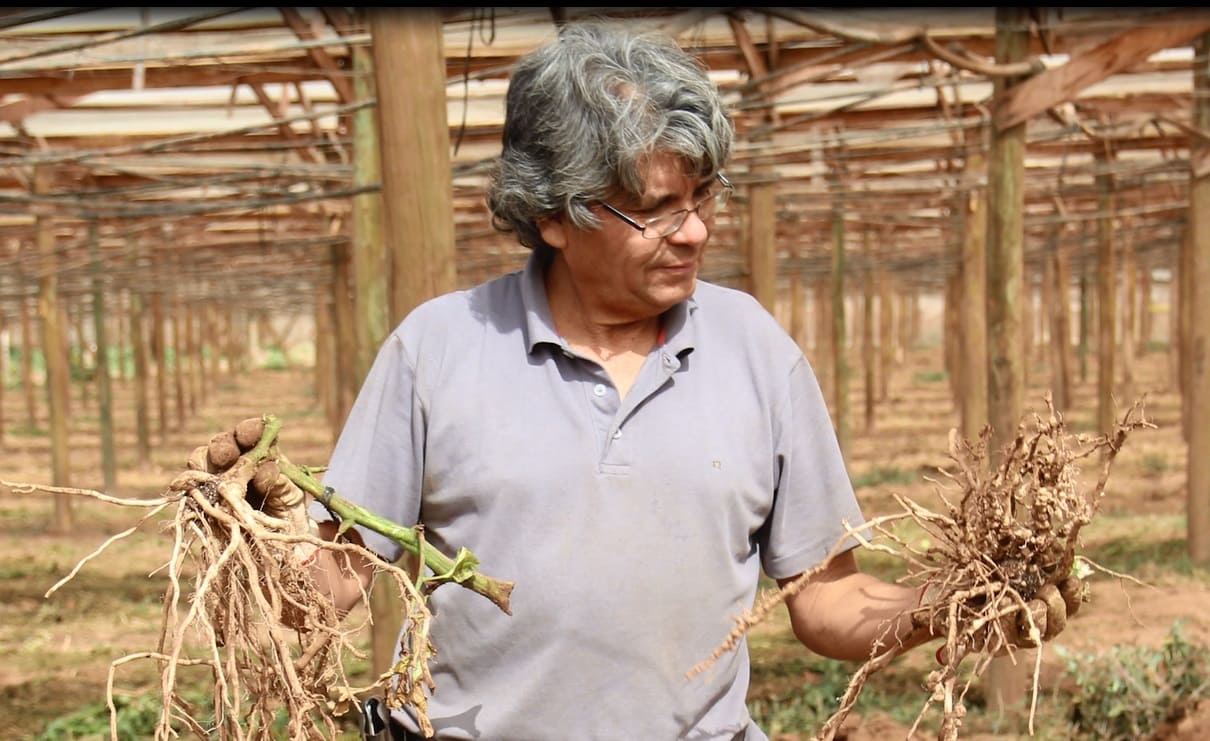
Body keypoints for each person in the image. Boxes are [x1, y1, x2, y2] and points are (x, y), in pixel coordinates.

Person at [289, 19, 1061, 741]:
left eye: (700, 196)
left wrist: (950, 605)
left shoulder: (754, 349)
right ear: (555, 215)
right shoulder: (439, 349)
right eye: (653, 210)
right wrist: (258, 536)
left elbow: (825, 596)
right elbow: (333, 578)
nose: (692, 230)